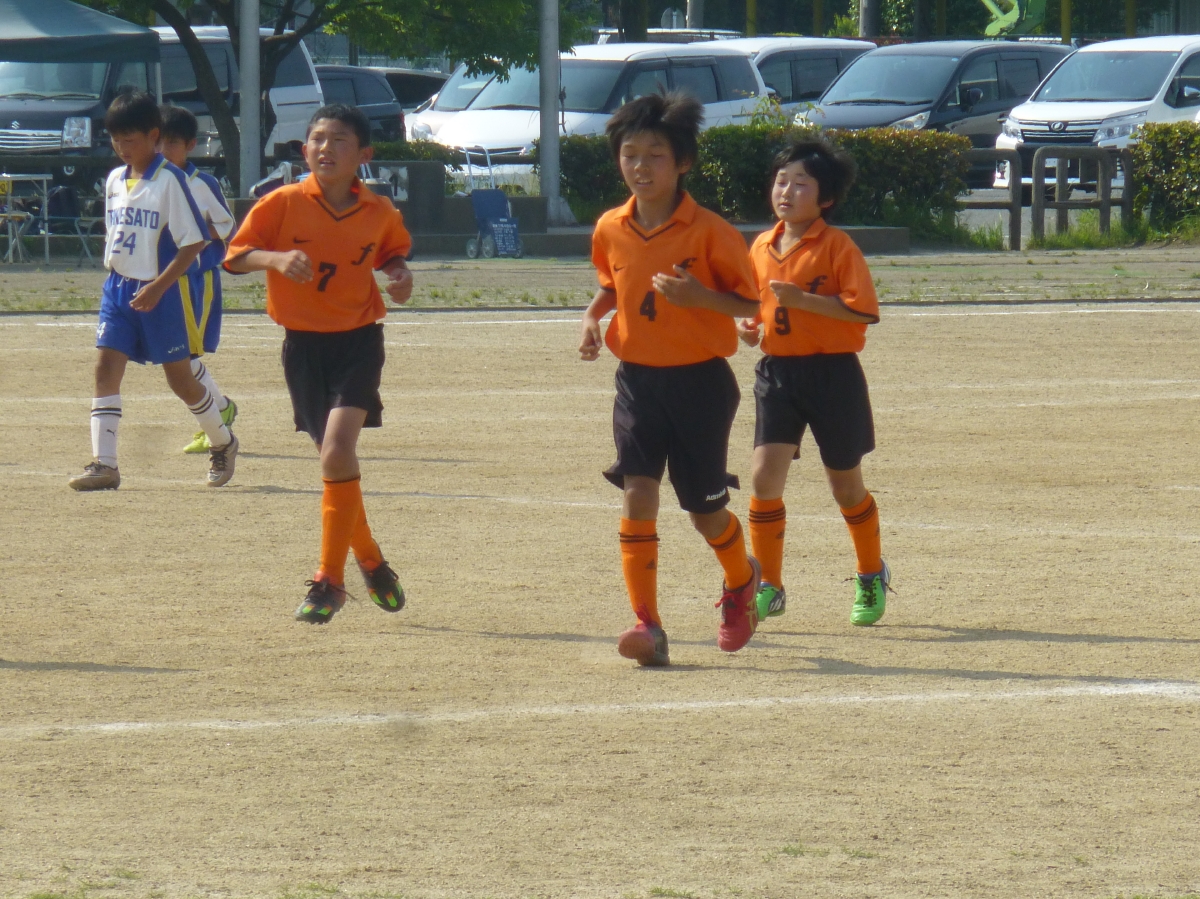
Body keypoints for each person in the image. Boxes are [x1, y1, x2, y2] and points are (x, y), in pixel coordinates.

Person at [579, 92, 762, 667]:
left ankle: (741, 580)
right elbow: (612, 284)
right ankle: (647, 624)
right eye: (629, 154)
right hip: (637, 380)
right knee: (638, 491)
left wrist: (700, 297)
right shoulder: (611, 227)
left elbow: (749, 303)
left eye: (655, 155)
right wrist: (592, 318)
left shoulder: (709, 232)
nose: (640, 166)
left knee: (705, 512)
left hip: (701, 384)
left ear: (682, 162)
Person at [224, 104, 413, 624]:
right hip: (303, 349)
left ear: (364, 154)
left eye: (340, 140)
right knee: (336, 466)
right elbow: (235, 255)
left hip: (358, 343)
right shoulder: (281, 203)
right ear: (304, 149)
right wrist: (275, 258)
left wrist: (399, 274)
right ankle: (371, 560)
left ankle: (330, 580)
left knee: (336, 451)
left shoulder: (379, 211)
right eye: (317, 139)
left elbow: (391, 254)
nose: (326, 148)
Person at [739, 137, 891, 627]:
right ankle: (769, 584)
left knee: (845, 485)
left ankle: (870, 573)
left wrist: (804, 301)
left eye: (801, 184)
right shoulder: (761, 246)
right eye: (781, 181)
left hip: (833, 375)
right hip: (778, 374)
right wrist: (748, 326)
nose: (786, 191)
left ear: (825, 198)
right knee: (763, 477)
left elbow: (863, 312)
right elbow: (755, 306)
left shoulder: (837, 246)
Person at [69, 89, 238, 492]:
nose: (122, 147)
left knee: (180, 380)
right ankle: (105, 464)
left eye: (130, 139)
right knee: (105, 368)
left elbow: (193, 243)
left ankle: (222, 441)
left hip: (162, 292)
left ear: (153, 136)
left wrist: (159, 287)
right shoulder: (115, 179)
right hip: (118, 289)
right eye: (115, 139)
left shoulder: (170, 180)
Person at [158, 104, 239, 455]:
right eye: (157, 142)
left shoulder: (201, 183)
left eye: (171, 143)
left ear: (190, 145)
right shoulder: (149, 180)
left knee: (184, 355)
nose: (163, 150)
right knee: (175, 355)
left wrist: (191, 232)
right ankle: (218, 412)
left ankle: (218, 414)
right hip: (160, 280)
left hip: (193, 279)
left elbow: (226, 227)